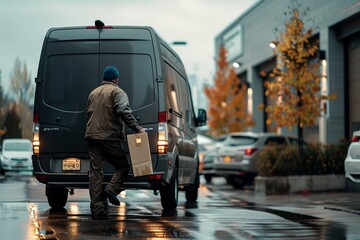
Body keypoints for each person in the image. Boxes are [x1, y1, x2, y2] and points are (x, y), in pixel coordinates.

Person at [85, 66, 145, 220]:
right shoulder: (117, 92)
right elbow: (124, 111)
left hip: (92, 136)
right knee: (123, 167)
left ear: (104, 78)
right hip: (109, 136)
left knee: (95, 173)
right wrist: (138, 129)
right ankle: (111, 190)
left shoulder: (93, 92)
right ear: (116, 79)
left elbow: (89, 114)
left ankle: (97, 210)